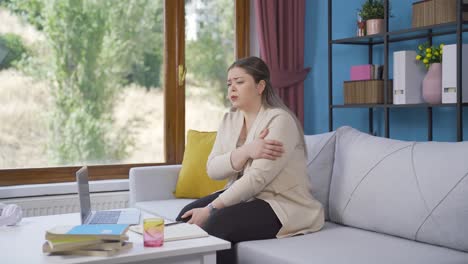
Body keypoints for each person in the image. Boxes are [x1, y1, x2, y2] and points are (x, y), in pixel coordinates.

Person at [176, 56, 324, 263]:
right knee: (184, 217)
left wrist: (210, 209)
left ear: (260, 86)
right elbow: (213, 169)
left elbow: (257, 179)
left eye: (239, 82)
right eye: (229, 83)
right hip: (246, 198)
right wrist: (246, 151)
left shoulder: (279, 120)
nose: (232, 89)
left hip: (279, 203)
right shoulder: (229, 120)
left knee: (217, 223)